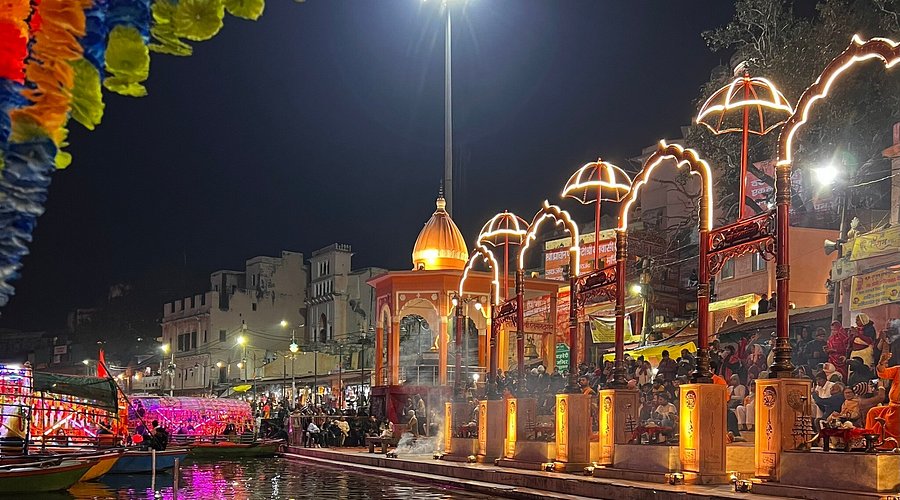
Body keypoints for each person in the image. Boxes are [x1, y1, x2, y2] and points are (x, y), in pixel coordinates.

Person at [866, 345, 900, 449]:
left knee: (890, 423)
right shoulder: (898, 369)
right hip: (892, 407)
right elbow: (882, 373)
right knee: (873, 412)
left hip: (897, 411)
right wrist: (882, 362)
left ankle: (886, 445)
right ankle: (869, 442)